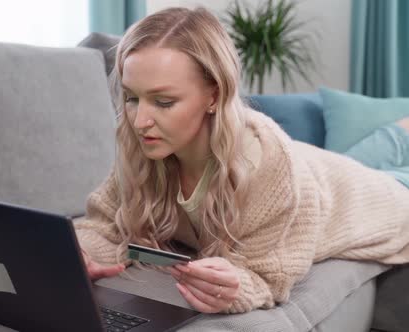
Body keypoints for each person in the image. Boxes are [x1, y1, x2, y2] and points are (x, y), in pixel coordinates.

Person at [74, 7, 409, 314]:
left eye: (163, 102)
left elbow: (266, 277)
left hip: (370, 199)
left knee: (395, 173)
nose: (139, 120)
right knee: (365, 153)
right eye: (132, 98)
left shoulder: (264, 162)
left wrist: (235, 288)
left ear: (214, 95)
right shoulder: (148, 143)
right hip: (319, 167)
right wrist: (82, 252)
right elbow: (105, 224)